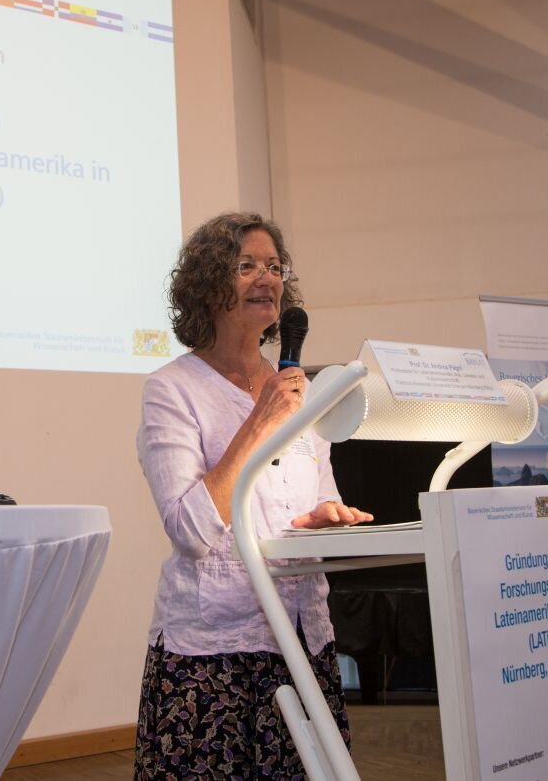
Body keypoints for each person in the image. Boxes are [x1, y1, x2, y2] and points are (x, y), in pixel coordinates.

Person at [134, 212, 373, 779]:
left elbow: (317, 498)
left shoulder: (302, 392)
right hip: (213, 657)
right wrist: (259, 420)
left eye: (273, 266)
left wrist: (325, 517)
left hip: (302, 643)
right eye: (246, 266)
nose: (267, 278)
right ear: (207, 285)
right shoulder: (172, 390)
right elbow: (190, 531)